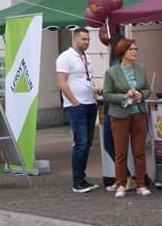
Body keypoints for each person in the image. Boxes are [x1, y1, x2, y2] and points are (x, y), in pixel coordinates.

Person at [104, 38, 152, 197]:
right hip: (120, 115)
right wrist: (124, 96)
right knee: (120, 152)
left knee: (139, 151)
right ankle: (121, 184)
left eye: (136, 49)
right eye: (131, 49)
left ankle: (141, 184)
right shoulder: (112, 72)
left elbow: (148, 89)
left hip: (138, 113)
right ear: (122, 52)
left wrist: (141, 95)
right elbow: (107, 94)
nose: (134, 52)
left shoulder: (140, 68)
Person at [56, 28, 102, 193]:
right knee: (81, 142)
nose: (86, 42)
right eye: (83, 39)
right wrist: (74, 101)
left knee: (87, 143)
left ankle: (82, 178)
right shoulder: (65, 57)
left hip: (90, 103)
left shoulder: (87, 57)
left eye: (88, 39)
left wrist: (94, 92)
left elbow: (86, 79)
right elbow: (61, 82)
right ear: (74, 39)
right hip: (76, 106)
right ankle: (77, 181)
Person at [102, 33, 138, 194]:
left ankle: (126, 179)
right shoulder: (114, 64)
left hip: (117, 109)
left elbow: (120, 88)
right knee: (113, 146)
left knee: (114, 146)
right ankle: (122, 178)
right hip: (113, 108)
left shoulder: (119, 64)